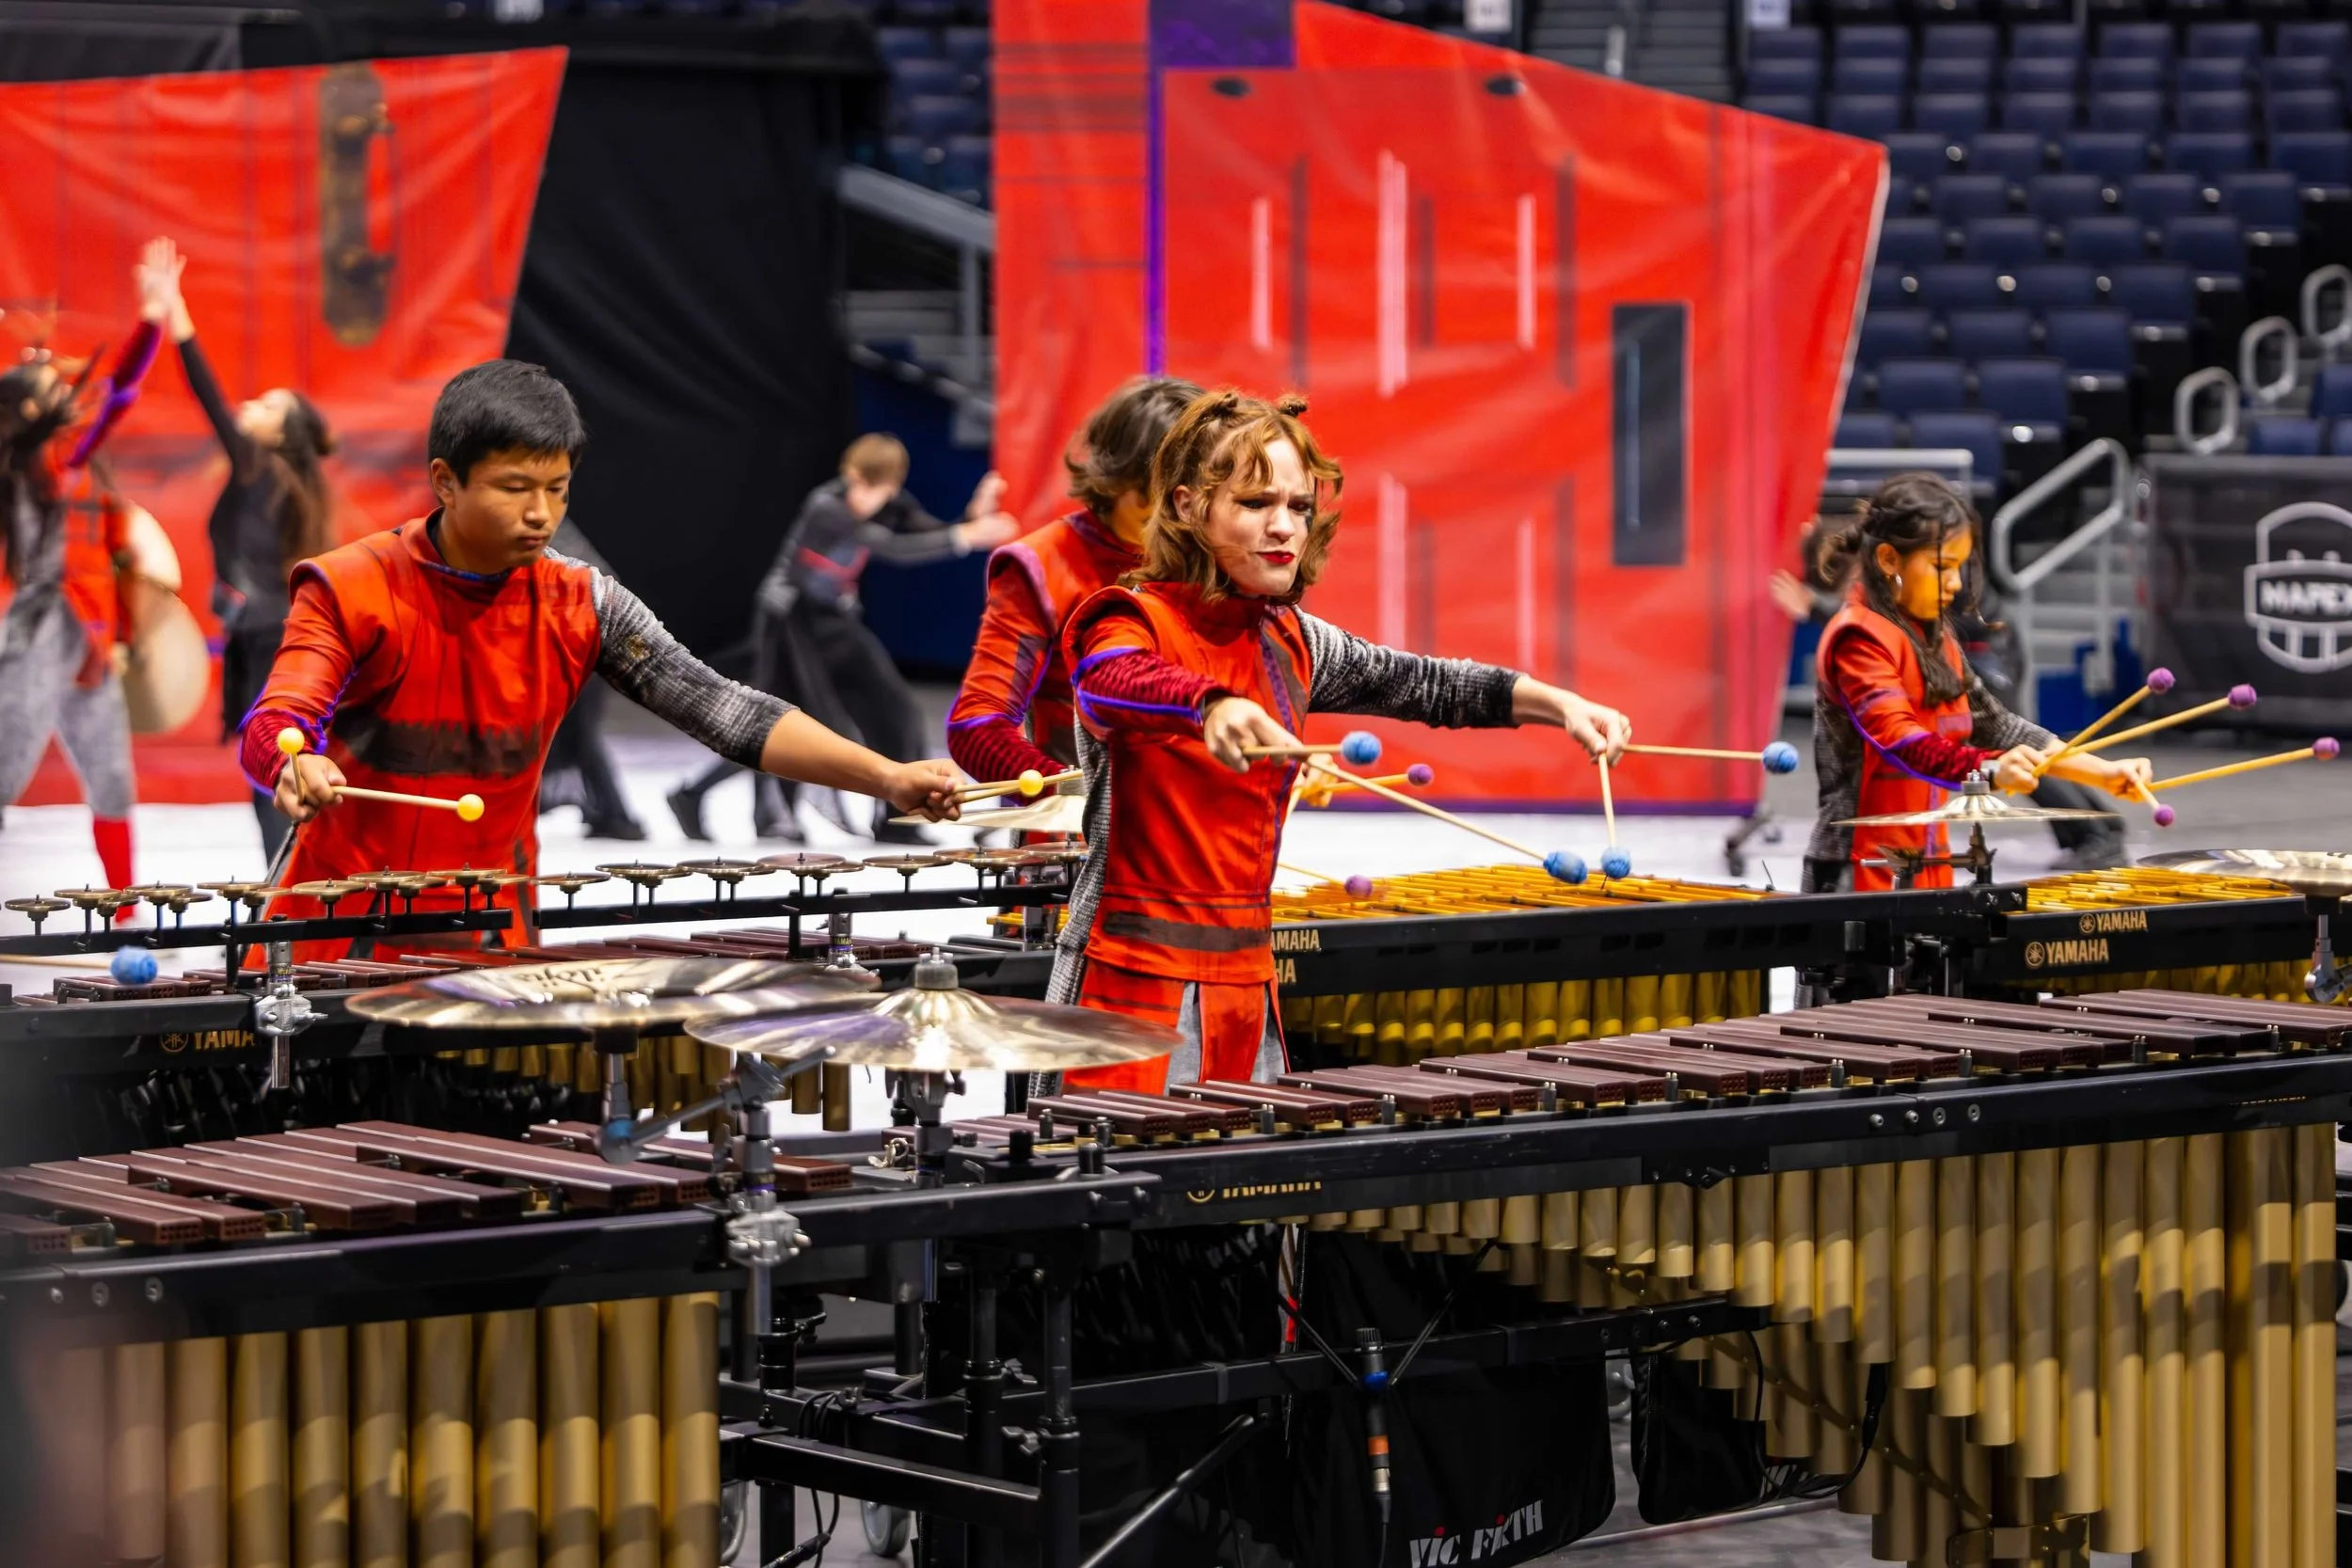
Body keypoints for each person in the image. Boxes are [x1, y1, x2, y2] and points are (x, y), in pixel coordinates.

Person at [245, 360, 961, 959]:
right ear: (446, 480)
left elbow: (725, 709)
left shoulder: (585, 601)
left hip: (491, 933)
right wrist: (290, 762)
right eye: (514, 488)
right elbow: (277, 718)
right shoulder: (349, 585)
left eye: (556, 489)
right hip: (331, 934)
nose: (541, 514)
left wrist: (887, 776)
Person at [1047, 388, 1632, 1093]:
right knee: (1114, 1165)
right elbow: (1108, 679)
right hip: (1124, 978)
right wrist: (1209, 705)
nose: (1284, 527)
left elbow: (1427, 685)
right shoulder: (1126, 619)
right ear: (1187, 505)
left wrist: (1559, 704)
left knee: (1243, 1166)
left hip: (1244, 984)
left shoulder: (1290, 639)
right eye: (1256, 502)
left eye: (1299, 506)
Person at [1802, 472, 2151, 894]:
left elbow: (2000, 727)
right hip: (1855, 873)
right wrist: (1990, 770)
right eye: (1941, 567)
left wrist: (2103, 773)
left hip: (1925, 863)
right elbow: (1901, 741)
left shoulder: (1935, 640)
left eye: (1959, 567)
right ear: (1889, 560)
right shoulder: (1858, 639)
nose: (1955, 583)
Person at [667, 434, 1017, 843]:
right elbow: (892, 547)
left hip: (835, 619)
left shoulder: (892, 502)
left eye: (878, 490)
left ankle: (894, 817)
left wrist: (971, 518)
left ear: (892, 488)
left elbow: (930, 531)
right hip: (791, 622)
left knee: (894, 707)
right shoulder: (826, 505)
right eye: (861, 486)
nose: (866, 497)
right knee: (789, 724)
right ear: (849, 474)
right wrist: (966, 536)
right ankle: (696, 794)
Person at [137, 237, 338, 861]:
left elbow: (210, 397)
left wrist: (175, 311)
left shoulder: (259, 467)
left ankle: (288, 883)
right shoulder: (283, 482)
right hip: (263, 632)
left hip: (265, 636)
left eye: (268, 405)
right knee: (278, 766)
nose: (251, 406)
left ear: (282, 433)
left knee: (273, 767)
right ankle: (293, 879)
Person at [946, 375, 1202, 786]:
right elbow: (977, 724)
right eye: (1167, 491)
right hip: (1077, 816)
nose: (1186, 512)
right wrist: (1065, 791)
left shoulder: (1215, 555)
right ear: (1118, 479)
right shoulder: (1043, 567)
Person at [0, 308, 164, 900]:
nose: (70, 394)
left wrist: (151, 320)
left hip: (88, 639)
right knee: (2, 773)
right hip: (34, 636)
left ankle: (126, 914)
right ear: (27, 409)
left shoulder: (81, 461)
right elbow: (113, 396)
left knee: (112, 777)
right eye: (53, 388)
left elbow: (116, 393)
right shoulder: (29, 465)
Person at [535, 516, 648, 841]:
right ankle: (609, 812)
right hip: (576, 634)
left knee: (578, 731)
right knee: (572, 731)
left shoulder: (530, 528)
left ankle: (614, 814)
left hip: (583, 635)